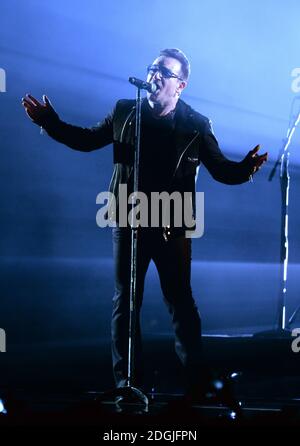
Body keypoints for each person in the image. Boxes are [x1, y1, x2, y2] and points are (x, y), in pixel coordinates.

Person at [21, 48, 268, 399]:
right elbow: (87, 139)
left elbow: (221, 169)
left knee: (180, 301)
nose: (154, 76)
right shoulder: (126, 111)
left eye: (163, 73)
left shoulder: (196, 124)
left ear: (179, 85)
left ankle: (197, 384)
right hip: (129, 218)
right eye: (152, 69)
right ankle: (127, 384)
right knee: (126, 301)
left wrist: (245, 168)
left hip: (172, 221)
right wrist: (51, 122)